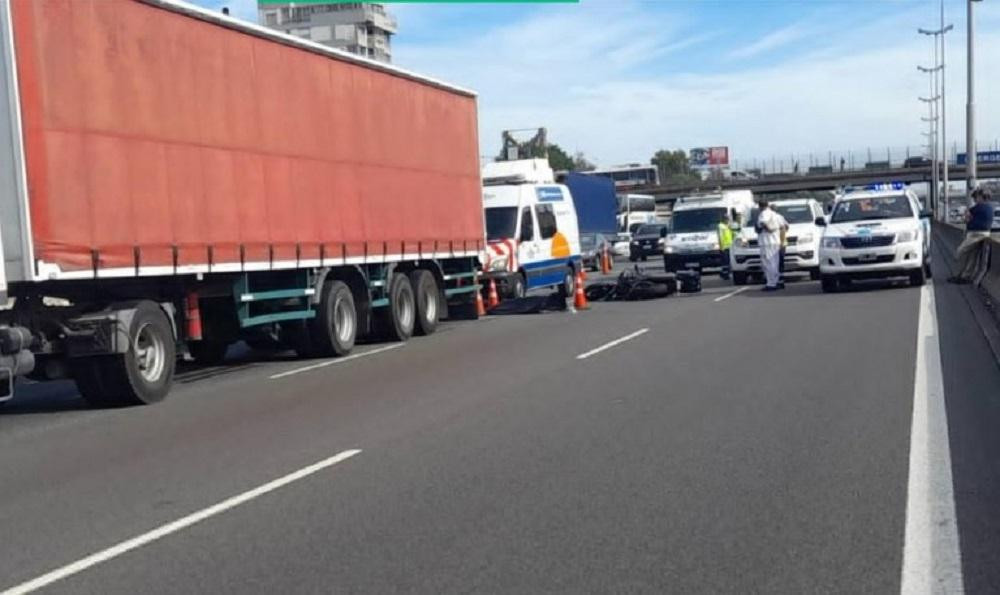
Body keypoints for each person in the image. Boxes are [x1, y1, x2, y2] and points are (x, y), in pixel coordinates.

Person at [949, 188, 996, 284]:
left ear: (981, 197)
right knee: (972, 257)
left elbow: (966, 217)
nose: (975, 199)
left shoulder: (979, 207)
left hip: (975, 234)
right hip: (984, 234)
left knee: (961, 252)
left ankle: (961, 275)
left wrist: (968, 218)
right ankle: (965, 276)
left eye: (976, 197)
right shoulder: (990, 207)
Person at [756, 201, 788, 291]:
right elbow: (784, 227)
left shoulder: (764, 213)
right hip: (776, 241)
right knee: (775, 263)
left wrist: (769, 229)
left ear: (760, 207)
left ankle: (771, 284)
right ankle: (776, 281)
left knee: (768, 263)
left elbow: (763, 222)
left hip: (767, 242)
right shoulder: (776, 215)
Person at [717, 214, 733, 280]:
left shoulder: (727, 225)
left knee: (728, 262)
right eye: (726, 219)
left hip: (729, 246)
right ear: (723, 219)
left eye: (728, 219)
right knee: (725, 262)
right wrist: (721, 247)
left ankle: (726, 273)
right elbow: (720, 237)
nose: (727, 220)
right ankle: (724, 274)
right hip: (724, 246)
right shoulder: (720, 226)